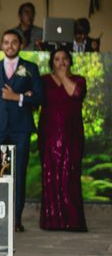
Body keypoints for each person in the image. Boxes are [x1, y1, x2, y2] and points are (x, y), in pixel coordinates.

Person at [0, 29, 44, 232]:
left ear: (21, 44)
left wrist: (19, 97)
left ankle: (16, 219)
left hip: (21, 129)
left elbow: (40, 98)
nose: (10, 45)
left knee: (18, 174)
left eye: (14, 42)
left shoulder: (30, 68)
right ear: (1, 45)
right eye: (6, 42)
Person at [38, 49, 88, 231]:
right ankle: (52, 222)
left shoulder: (80, 80)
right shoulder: (43, 81)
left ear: (70, 61)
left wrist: (63, 76)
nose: (61, 62)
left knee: (70, 175)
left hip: (72, 135)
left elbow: (75, 94)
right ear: (52, 62)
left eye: (65, 59)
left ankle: (73, 221)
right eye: (57, 59)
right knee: (50, 176)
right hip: (49, 134)